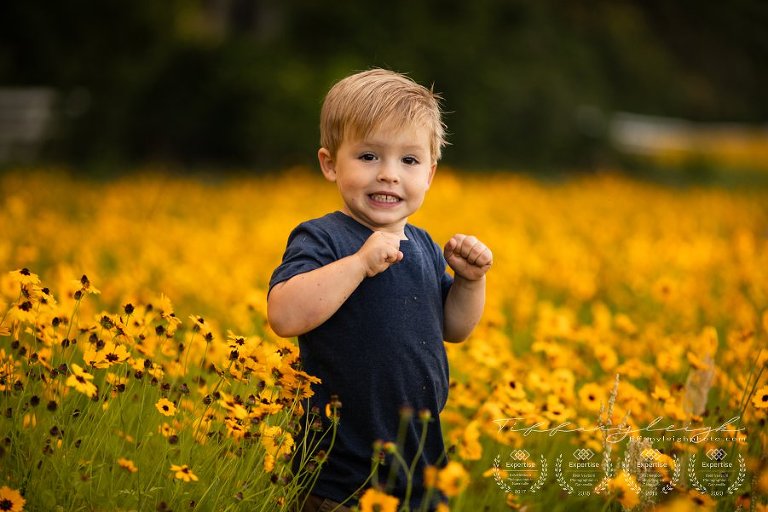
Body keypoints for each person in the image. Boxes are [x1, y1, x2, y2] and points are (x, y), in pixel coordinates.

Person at [268, 68, 492, 511]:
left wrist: (470, 281)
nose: (389, 175)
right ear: (330, 163)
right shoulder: (325, 238)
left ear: (429, 174)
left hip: (420, 464)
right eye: (369, 157)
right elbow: (284, 315)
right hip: (339, 467)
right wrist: (358, 264)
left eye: (408, 161)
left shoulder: (425, 246)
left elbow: (455, 328)